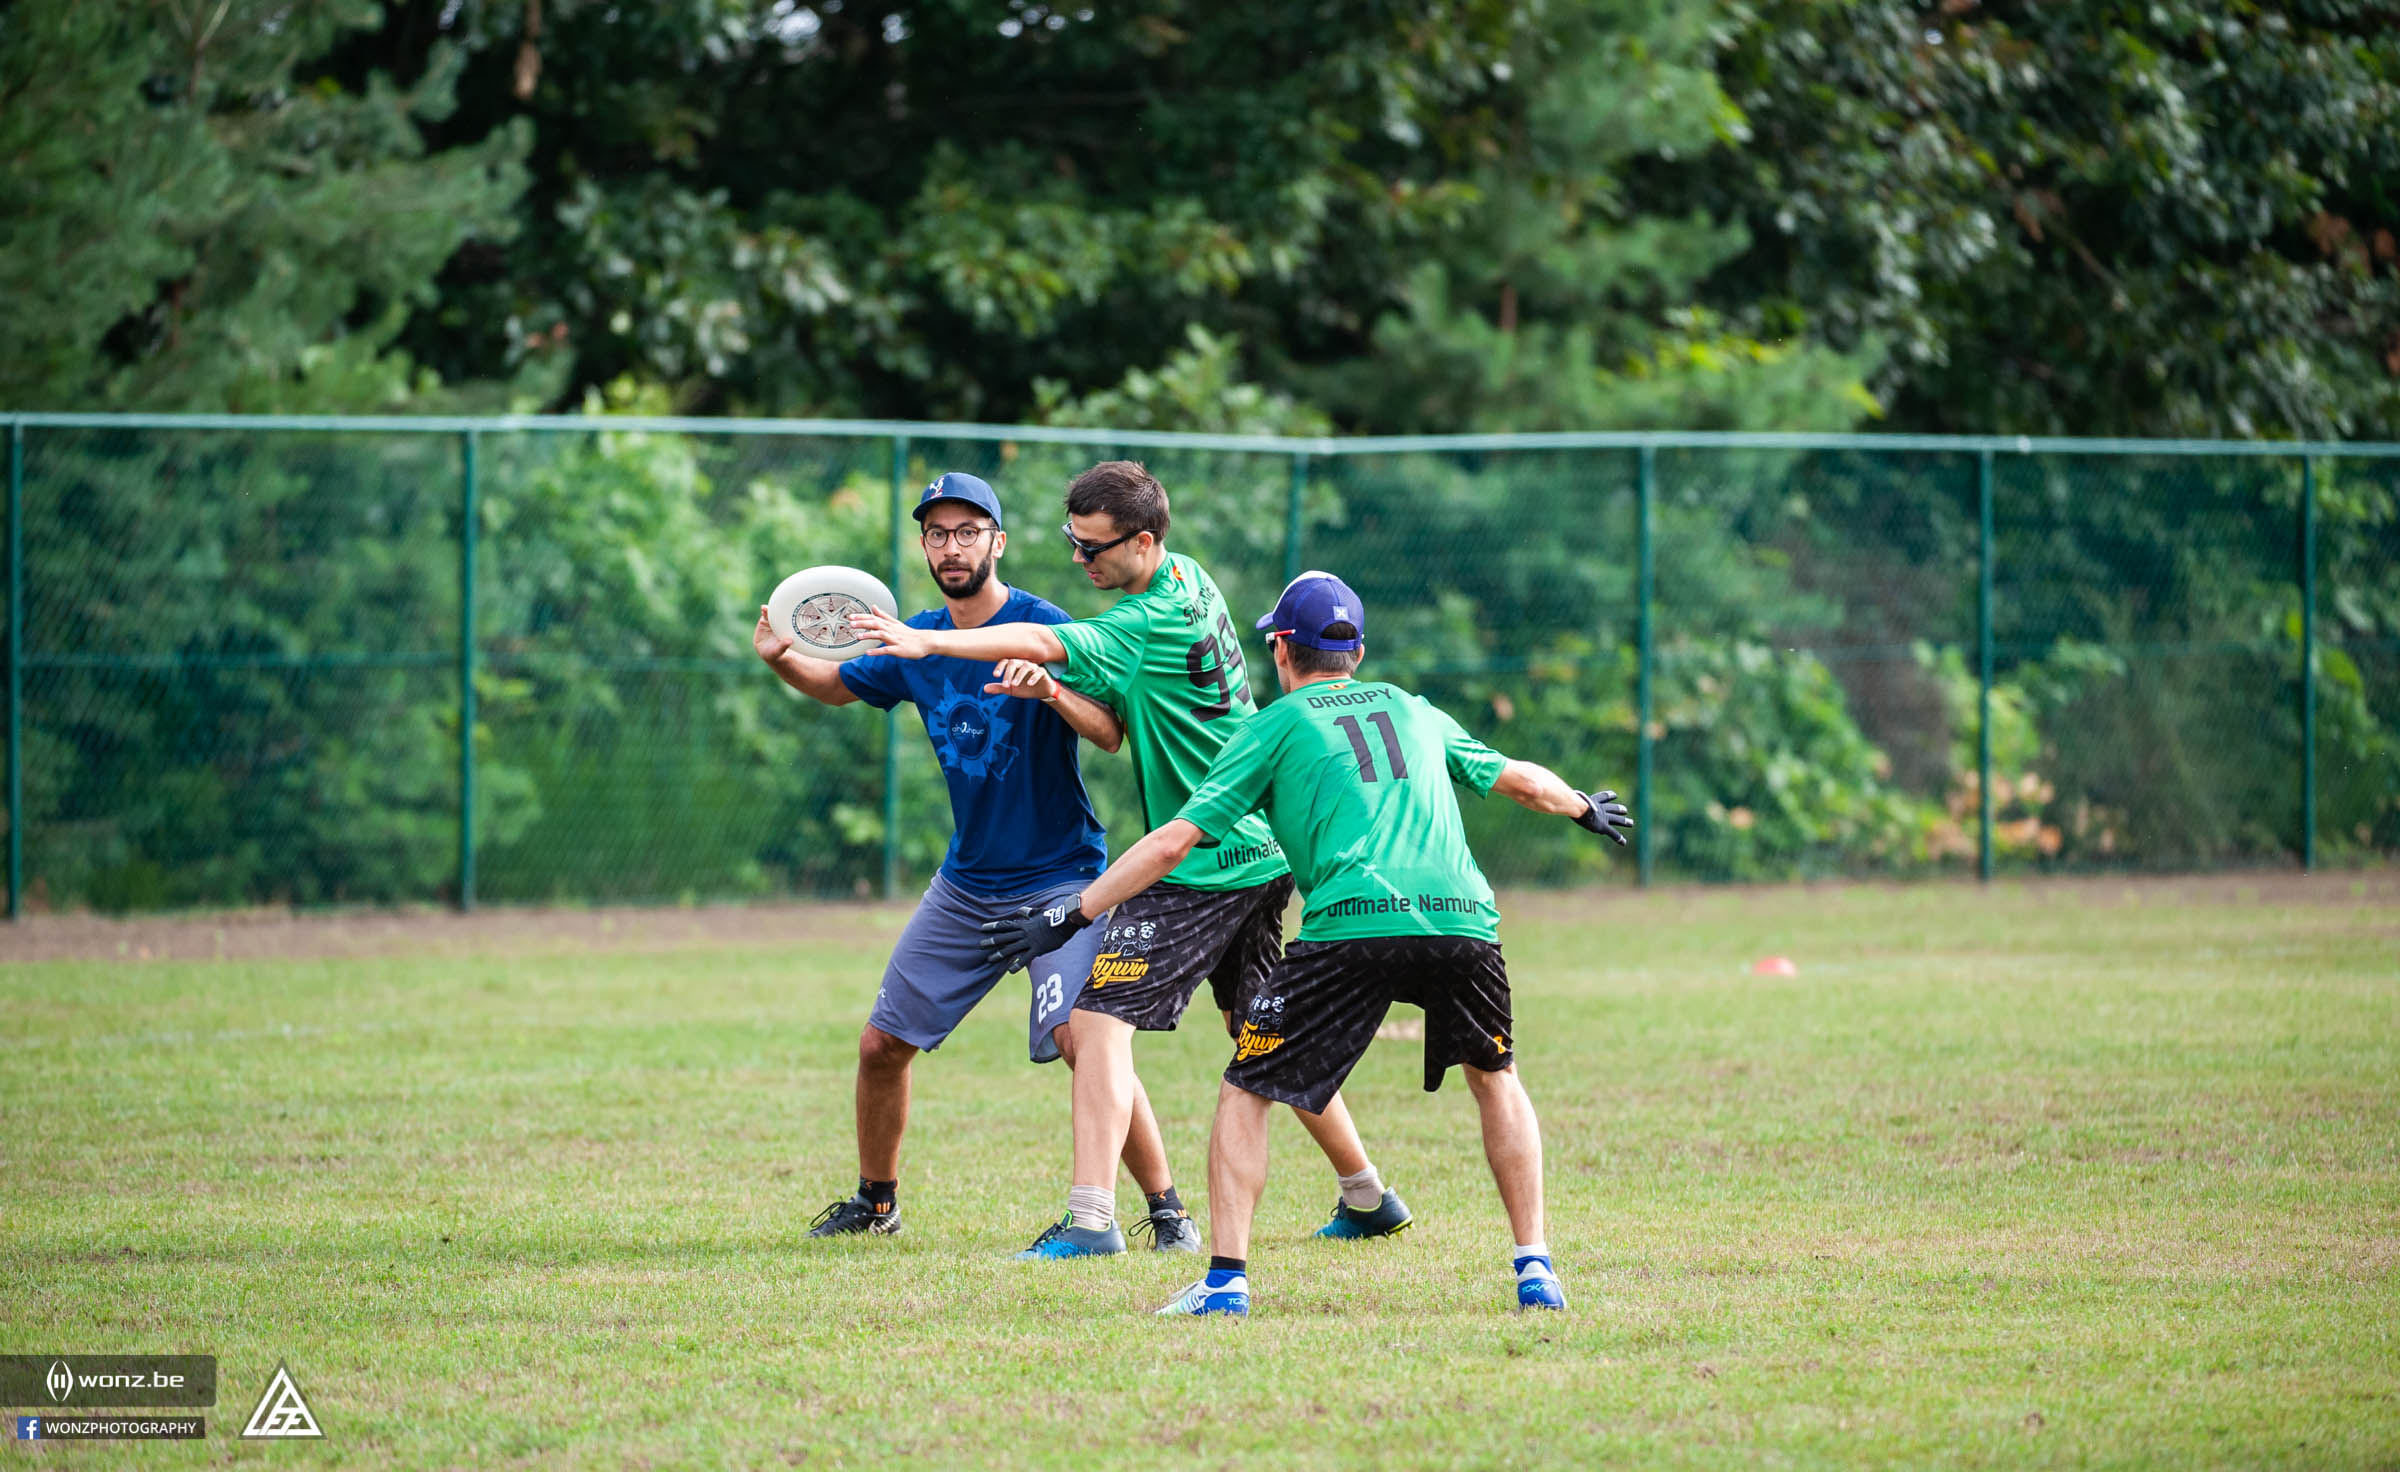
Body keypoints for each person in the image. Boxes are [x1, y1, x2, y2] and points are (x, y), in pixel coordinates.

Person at [980, 570, 1636, 1316]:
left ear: (1283, 649)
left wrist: (1073, 914)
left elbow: (1172, 843)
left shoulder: (1274, 726)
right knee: (1495, 1076)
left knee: (1247, 1086)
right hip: (1463, 920)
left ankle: (1224, 1282)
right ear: (1357, 651)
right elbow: (1518, 781)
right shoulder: (1414, 709)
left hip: (1352, 923)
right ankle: (1535, 1267)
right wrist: (1583, 805)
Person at [849, 462, 1404, 1261]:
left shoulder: (1143, 621)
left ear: (1143, 540)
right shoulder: (1192, 578)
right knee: (1259, 1031)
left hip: (1203, 855)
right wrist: (1051, 691)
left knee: (1096, 1020)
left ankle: (1090, 1220)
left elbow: (1048, 639)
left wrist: (927, 637)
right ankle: (1367, 1195)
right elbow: (1105, 716)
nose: (1081, 563)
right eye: (1072, 543)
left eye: (1094, 548)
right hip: (1257, 847)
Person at [752, 470, 1177, 1239]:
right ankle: (877, 1205)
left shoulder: (1043, 625)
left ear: (998, 541)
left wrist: (1050, 691)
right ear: (924, 545)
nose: (952, 547)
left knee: (1085, 1041)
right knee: (881, 1046)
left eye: (968, 531)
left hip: (1064, 876)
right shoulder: (914, 638)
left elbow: (1112, 733)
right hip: (969, 883)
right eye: (938, 534)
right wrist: (781, 656)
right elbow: (839, 685)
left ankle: (1167, 1211)